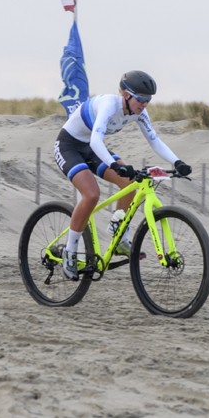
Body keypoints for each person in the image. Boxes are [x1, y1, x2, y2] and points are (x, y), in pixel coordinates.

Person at [54, 70, 192, 281]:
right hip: (69, 146)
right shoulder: (109, 105)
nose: (145, 104)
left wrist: (177, 162)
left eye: (149, 100)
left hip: (92, 148)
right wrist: (113, 164)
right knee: (91, 195)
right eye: (141, 99)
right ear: (126, 95)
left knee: (132, 183)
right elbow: (95, 141)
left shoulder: (139, 112)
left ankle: (120, 239)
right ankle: (69, 252)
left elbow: (155, 140)